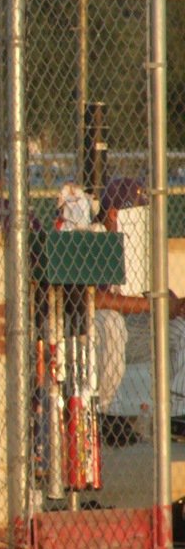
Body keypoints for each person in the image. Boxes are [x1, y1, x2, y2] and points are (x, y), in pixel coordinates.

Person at [90, 176, 185, 441]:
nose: (143, 219)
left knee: (181, 328)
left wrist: (173, 303)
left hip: (136, 329)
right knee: (112, 324)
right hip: (97, 329)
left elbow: (155, 292)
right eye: (137, 211)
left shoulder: (139, 243)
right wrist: (151, 304)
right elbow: (95, 299)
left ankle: (176, 419)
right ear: (113, 213)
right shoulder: (95, 239)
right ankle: (105, 417)